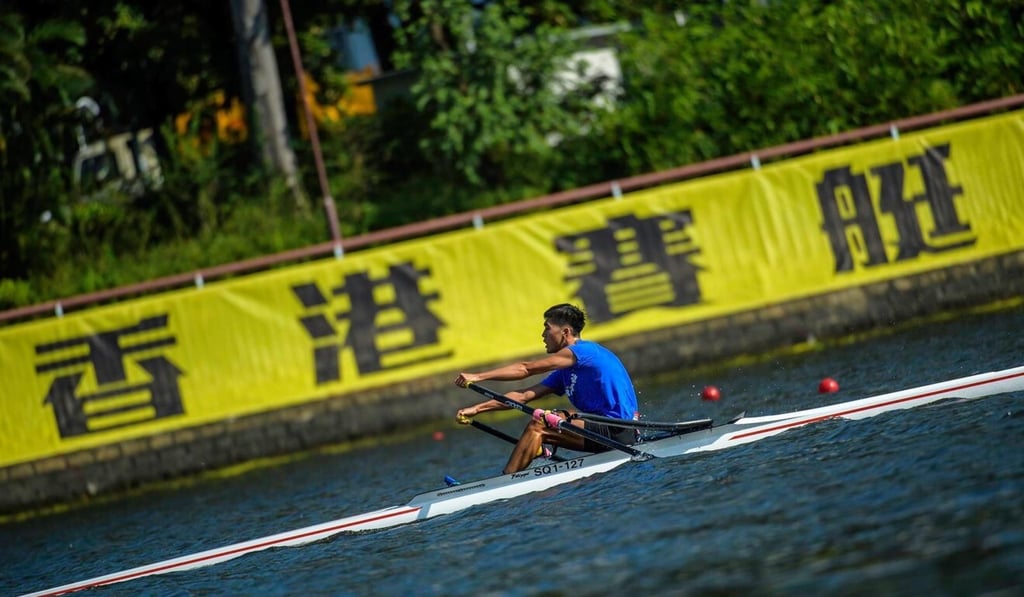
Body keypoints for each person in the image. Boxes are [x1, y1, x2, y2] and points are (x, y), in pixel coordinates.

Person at [454, 303, 640, 474]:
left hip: (619, 430)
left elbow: (526, 369)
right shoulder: (564, 372)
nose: (543, 335)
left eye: (547, 328)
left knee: (540, 423)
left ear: (565, 332)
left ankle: (504, 481)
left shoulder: (584, 352)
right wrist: (477, 409)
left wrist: (478, 377)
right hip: (606, 430)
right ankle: (533, 449)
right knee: (556, 416)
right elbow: (523, 396)